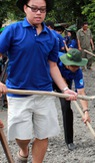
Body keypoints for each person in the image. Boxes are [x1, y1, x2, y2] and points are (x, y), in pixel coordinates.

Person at [0, 0, 77, 162]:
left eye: (42, 9)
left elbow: (53, 66)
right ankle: (23, 151)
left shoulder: (52, 37)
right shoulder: (12, 31)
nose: (38, 13)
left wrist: (64, 89)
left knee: (43, 135)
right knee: (22, 137)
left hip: (44, 93)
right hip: (18, 93)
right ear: (25, 8)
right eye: (34, 8)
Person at [53, 49, 90, 151]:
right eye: (73, 66)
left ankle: (69, 141)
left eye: (77, 65)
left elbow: (81, 93)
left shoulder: (78, 71)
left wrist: (86, 111)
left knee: (67, 108)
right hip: (48, 79)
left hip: (66, 85)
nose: (76, 68)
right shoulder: (55, 58)